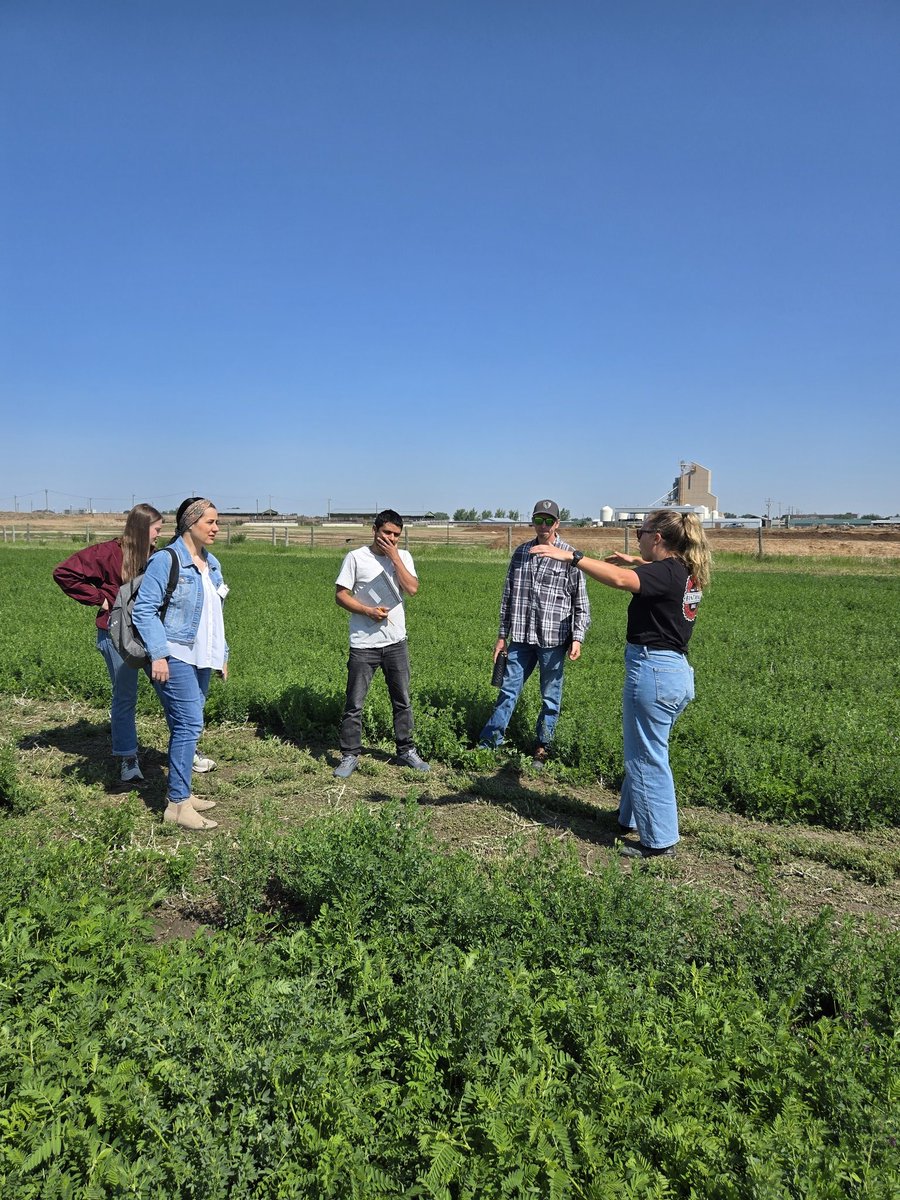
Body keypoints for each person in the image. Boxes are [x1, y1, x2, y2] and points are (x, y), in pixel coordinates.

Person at [531, 510, 711, 858]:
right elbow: (650, 573)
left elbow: (618, 579)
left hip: (653, 671)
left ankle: (659, 842)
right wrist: (636, 560)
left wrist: (573, 557)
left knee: (646, 757)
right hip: (675, 674)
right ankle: (628, 817)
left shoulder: (664, 572)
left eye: (641, 532)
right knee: (644, 748)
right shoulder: (685, 569)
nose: (637, 537)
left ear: (657, 537)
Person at [133, 497, 228, 830]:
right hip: (175, 655)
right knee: (189, 724)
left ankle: (182, 793)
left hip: (202, 657)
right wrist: (158, 654)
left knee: (185, 725)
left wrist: (222, 654)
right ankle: (177, 804)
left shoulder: (211, 563)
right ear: (190, 522)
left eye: (217, 522)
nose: (216, 528)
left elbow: (215, 613)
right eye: (210, 522)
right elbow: (144, 610)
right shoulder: (166, 559)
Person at [53, 503, 163, 782]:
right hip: (116, 636)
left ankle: (185, 750)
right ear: (142, 529)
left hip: (150, 634)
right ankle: (128, 757)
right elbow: (64, 573)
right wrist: (101, 600)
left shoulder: (157, 556)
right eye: (157, 529)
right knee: (125, 697)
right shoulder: (107, 553)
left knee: (170, 691)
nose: (159, 535)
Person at [478, 499, 590, 768]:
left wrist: (577, 637)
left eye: (549, 520)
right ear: (533, 522)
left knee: (550, 697)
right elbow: (508, 597)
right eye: (539, 520)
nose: (543, 525)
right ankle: (489, 744)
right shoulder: (521, 553)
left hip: (553, 640)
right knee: (508, 691)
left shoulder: (570, 555)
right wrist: (502, 636)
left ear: (557, 523)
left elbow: (581, 603)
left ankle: (542, 747)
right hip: (521, 638)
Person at [333, 509, 430, 779]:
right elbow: (341, 595)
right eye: (387, 532)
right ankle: (350, 755)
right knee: (354, 703)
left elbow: (412, 589)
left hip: (396, 642)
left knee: (402, 701)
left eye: (396, 535)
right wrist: (367, 611)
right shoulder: (356, 558)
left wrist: (395, 557)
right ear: (374, 530)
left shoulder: (404, 557)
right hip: (363, 644)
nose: (391, 538)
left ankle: (406, 751)